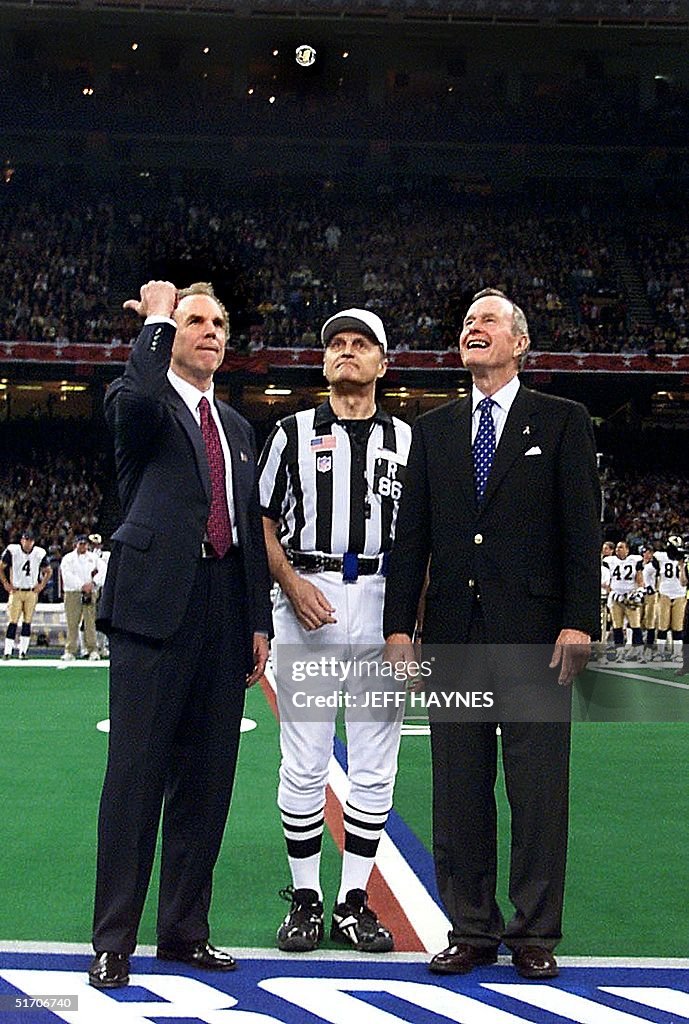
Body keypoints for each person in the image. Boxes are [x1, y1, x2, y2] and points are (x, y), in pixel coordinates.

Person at [383, 288, 601, 980]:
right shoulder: (434, 429)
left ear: (518, 342)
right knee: (458, 788)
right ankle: (471, 928)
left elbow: (580, 529)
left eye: (486, 321)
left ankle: (533, 932)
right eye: (466, 322)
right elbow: (409, 536)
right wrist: (397, 628)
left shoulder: (561, 422)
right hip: (452, 633)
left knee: (536, 791)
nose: (471, 329)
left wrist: (579, 618)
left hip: (535, 634)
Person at [89, 280, 272, 990]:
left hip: (223, 611)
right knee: (135, 775)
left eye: (219, 323)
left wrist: (257, 619)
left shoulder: (238, 426)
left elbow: (250, 532)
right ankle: (114, 938)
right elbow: (134, 396)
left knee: (207, 779)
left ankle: (184, 930)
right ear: (169, 332)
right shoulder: (140, 402)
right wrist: (157, 318)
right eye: (196, 320)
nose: (210, 331)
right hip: (153, 607)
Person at [258, 308, 412, 954]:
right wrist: (291, 585)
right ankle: (304, 896)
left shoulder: (410, 440)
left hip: (382, 602)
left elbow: (424, 535)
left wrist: (411, 619)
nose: (346, 352)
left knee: (376, 764)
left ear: (382, 362)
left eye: (360, 344)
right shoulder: (289, 433)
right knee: (305, 759)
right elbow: (261, 519)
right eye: (336, 345)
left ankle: (353, 899)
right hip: (308, 597)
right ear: (323, 363)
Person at [1, 530, 52, 659]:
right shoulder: (13, 551)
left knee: (27, 622)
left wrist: (41, 585)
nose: (27, 543)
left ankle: (23, 651)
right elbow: (1, 567)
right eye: (25, 540)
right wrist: (6, 583)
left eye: (29, 540)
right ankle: (8, 651)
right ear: (21, 540)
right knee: (13, 621)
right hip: (16, 590)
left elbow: (48, 571)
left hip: (30, 591)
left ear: (33, 542)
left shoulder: (39, 553)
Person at [59, 534, 99, 661]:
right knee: (72, 622)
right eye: (80, 543)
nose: (83, 546)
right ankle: (70, 650)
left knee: (90, 622)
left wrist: (93, 583)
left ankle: (92, 649)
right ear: (76, 544)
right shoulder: (68, 559)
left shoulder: (94, 558)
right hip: (73, 592)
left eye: (85, 544)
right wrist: (81, 585)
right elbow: (67, 575)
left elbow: (102, 572)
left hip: (89, 591)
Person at [607, 540, 644, 661]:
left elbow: (639, 579)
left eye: (621, 547)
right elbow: (606, 581)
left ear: (627, 550)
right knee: (617, 626)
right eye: (617, 548)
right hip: (616, 597)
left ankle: (639, 652)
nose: (618, 550)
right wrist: (612, 593)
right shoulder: (609, 561)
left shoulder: (635, 560)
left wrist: (638, 592)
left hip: (630, 596)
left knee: (635, 625)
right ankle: (620, 653)